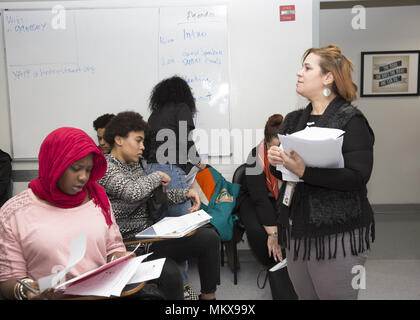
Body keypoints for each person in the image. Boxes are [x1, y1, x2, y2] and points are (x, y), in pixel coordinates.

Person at [0, 127, 183, 300]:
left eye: (88, 170)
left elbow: (113, 245)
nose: (84, 177)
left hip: (102, 293)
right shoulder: (14, 213)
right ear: (54, 164)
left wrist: (117, 257)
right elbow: (9, 279)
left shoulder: (97, 197)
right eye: (76, 168)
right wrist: (25, 290)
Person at [267, 44, 375, 300]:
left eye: (307, 67)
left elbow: (358, 177)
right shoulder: (293, 120)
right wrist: (276, 161)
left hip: (338, 233)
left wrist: (306, 171)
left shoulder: (351, 120)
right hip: (298, 230)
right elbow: (285, 173)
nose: (299, 73)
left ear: (328, 77)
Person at [99, 111, 220, 300]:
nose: (142, 147)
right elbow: (132, 192)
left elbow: (152, 196)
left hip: (149, 240)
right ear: (119, 139)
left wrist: (184, 194)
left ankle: (209, 297)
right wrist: (156, 177)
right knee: (171, 275)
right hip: (128, 247)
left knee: (209, 238)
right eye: (138, 140)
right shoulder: (105, 167)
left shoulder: (135, 165)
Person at [144, 76, 206, 298]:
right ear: (184, 94)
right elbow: (184, 141)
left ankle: (166, 288)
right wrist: (198, 162)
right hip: (170, 170)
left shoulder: (155, 114)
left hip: (149, 171)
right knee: (181, 234)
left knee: (161, 234)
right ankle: (184, 290)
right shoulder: (182, 108)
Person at [237, 114, 296, 300]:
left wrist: (278, 229)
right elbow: (260, 199)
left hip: (277, 198)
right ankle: (271, 265)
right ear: (265, 143)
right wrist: (272, 234)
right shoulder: (255, 157)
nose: (277, 153)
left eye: (281, 148)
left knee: (288, 226)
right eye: (272, 148)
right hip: (252, 198)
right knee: (257, 231)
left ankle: (284, 266)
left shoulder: (294, 155)